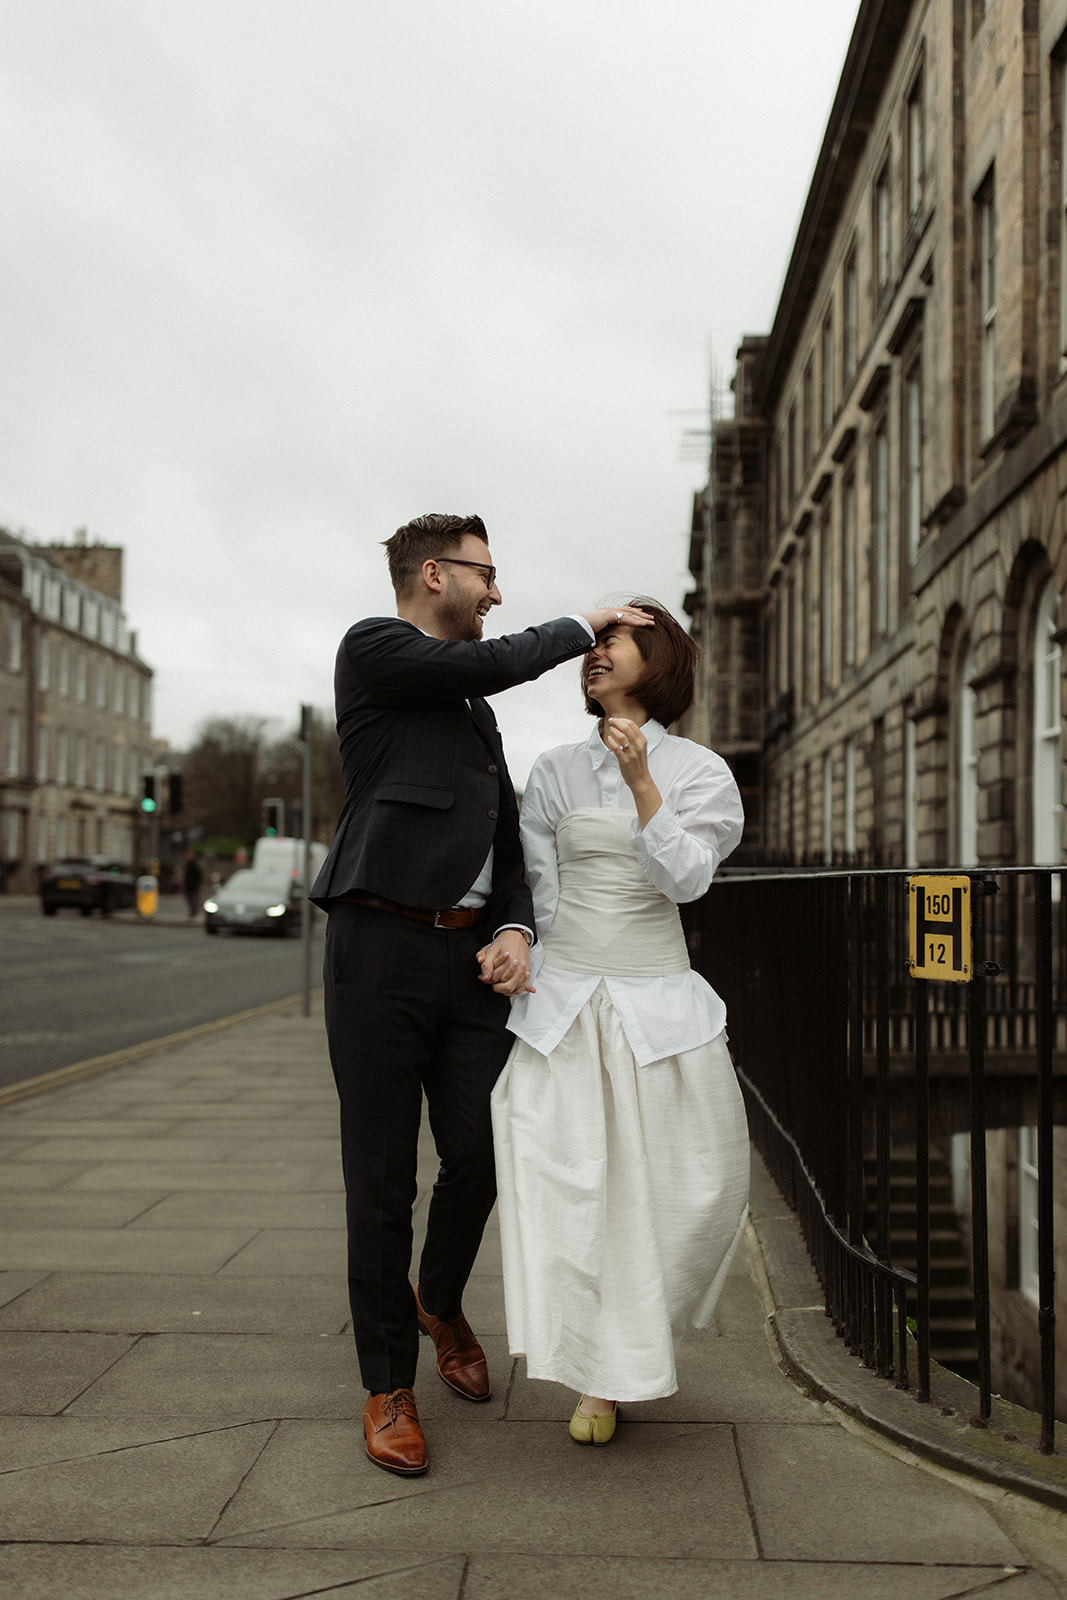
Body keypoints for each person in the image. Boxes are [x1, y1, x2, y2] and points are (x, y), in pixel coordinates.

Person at [309, 512, 654, 1477]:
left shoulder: (475, 713)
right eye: (485, 574)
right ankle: (388, 1385)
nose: (496, 591)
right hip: (377, 951)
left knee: (485, 1153)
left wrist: (513, 925)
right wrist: (581, 627)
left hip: (468, 969)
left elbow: (502, 834)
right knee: (379, 1182)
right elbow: (484, 662)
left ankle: (440, 1297)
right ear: (433, 574)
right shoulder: (377, 650)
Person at [490, 601, 749, 1445]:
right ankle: (596, 1377)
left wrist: (643, 783)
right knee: (567, 1187)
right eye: (591, 645)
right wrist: (521, 945)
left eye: (613, 642)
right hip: (566, 999)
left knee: (685, 1192)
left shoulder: (701, 771)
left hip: (656, 1001)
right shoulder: (555, 768)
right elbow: (539, 881)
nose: (594, 654)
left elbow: (686, 882)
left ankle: (630, 1350)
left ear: (658, 661)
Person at [182, 849, 202, 918]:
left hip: (192, 886)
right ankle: (192, 912)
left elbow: (198, 875)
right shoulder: (189, 863)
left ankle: (194, 912)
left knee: (193, 900)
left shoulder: (194, 864)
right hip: (189, 886)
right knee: (190, 900)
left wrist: (196, 884)